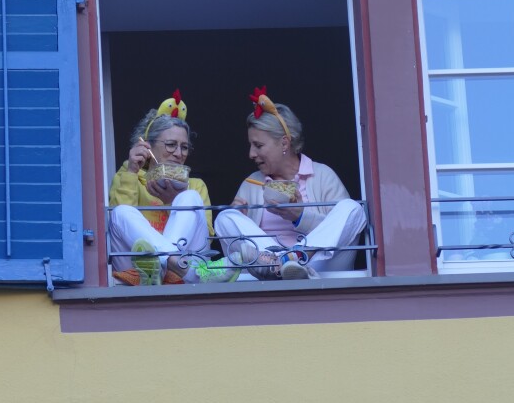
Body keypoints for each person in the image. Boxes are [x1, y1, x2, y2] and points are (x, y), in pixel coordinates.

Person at [214, 86, 366, 280]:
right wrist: (240, 215)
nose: (251, 154)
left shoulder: (323, 175)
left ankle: (294, 258)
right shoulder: (250, 184)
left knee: (352, 209)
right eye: (251, 146)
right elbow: (242, 243)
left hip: (321, 265)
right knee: (225, 218)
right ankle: (280, 265)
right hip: (266, 266)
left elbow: (341, 232)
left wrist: (300, 216)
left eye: (258, 146)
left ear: (284, 143)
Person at [109, 90, 230, 285]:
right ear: (148, 146)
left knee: (189, 198)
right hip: (138, 274)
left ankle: (165, 265)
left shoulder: (195, 186)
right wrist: (131, 171)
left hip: (183, 274)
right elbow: (118, 227)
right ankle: (168, 262)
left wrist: (173, 201)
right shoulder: (128, 175)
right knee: (120, 212)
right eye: (171, 145)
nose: (179, 153)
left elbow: (206, 241)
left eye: (184, 147)